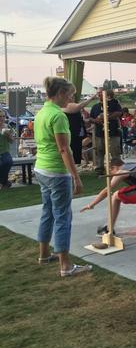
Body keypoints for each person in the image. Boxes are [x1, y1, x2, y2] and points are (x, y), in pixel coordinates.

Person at [34, 77, 91, 277]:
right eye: (70, 94)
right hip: (56, 172)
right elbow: (64, 149)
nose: (71, 97)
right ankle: (65, 265)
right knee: (62, 217)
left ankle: (44, 254)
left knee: (48, 212)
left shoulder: (41, 113)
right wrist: (76, 176)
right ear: (59, 94)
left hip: (41, 169)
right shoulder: (58, 116)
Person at [89, 89, 122, 175]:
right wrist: (96, 120)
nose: (99, 94)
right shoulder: (95, 107)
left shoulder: (114, 104)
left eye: (100, 93)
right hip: (100, 134)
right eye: (98, 93)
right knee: (99, 152)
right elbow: (90, 118)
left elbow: (119, 113)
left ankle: (117, 170)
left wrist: (107, 117)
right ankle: (100, 170)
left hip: (113, 133)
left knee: (115, 152)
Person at [63, 93, 98, 165]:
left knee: (77, 152)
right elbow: (80, 106)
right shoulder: (66, 106)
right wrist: (91, 98)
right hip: (72, 134)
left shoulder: (73, 107)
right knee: (73, 154)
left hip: (78, 134)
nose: (72, 98)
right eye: (70, 96)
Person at [0, 109, 14, 189]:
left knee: (8, 162)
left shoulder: (7, 127)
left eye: (3, 116)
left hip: (5, 152)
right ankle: (4, 182)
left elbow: (12, 141)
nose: (2, 118)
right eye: (0, 116)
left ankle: (2, 182)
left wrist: (8, 135)